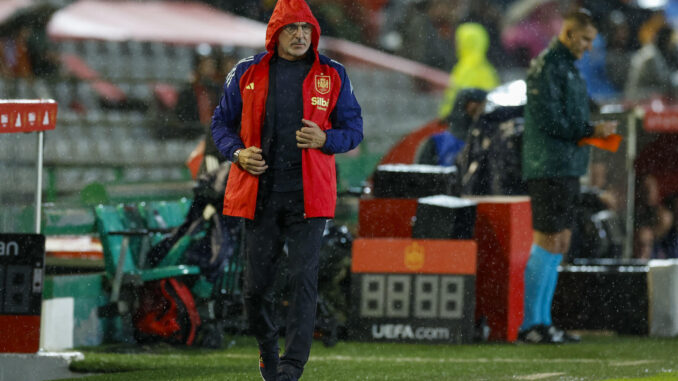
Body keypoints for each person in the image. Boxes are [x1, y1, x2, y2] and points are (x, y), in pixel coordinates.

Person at [210, 0, 363, 379]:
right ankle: (267, 351)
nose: (300, 36)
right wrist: (238, 153)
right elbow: (220, 125)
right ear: (275, 34)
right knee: (255, 289)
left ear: (315, 34)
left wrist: (326, 138)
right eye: (292, 29)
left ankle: (292, 367)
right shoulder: (246, 72)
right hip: (260, 195)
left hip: (309, 197)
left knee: (302, 279)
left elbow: (354, 130)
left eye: (306, 30)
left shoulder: (334, 73)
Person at [520, 8, 617, 344]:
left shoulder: (567, 68)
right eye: (586, 39)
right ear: (570, 33)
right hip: (548, 165)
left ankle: (543, 322)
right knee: (546, 240)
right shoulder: (548, 67)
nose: (589, 47)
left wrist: (593, 132)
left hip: (566, 165)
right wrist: (591, 129)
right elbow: (550, 121)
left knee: (559, 242)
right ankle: (530, 324)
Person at [438, 22, 500, 120]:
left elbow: (460, 101)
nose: (456, 45)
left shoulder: (467, 68)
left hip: (462, 124)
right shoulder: (487, 68)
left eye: (459, 41)